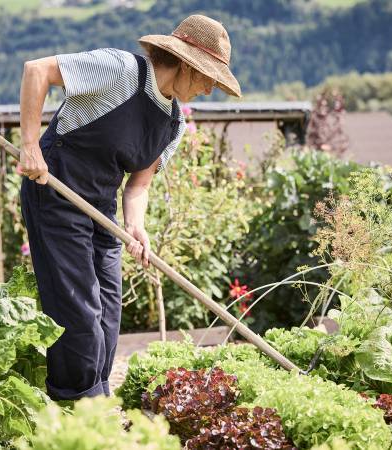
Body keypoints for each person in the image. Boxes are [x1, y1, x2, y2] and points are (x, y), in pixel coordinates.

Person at [17, 14, 241, 401]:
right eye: (208, 78)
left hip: (103, 209)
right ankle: (76, 405)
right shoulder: (121, 70)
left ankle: (95, 399)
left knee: (107, 313)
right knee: (79, 312)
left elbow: (138, 185)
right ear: (187, 64)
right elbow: (36, 71)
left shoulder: (173, 124)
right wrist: (30, 145)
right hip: (56, 192)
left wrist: (136, 226)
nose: (209, 89)